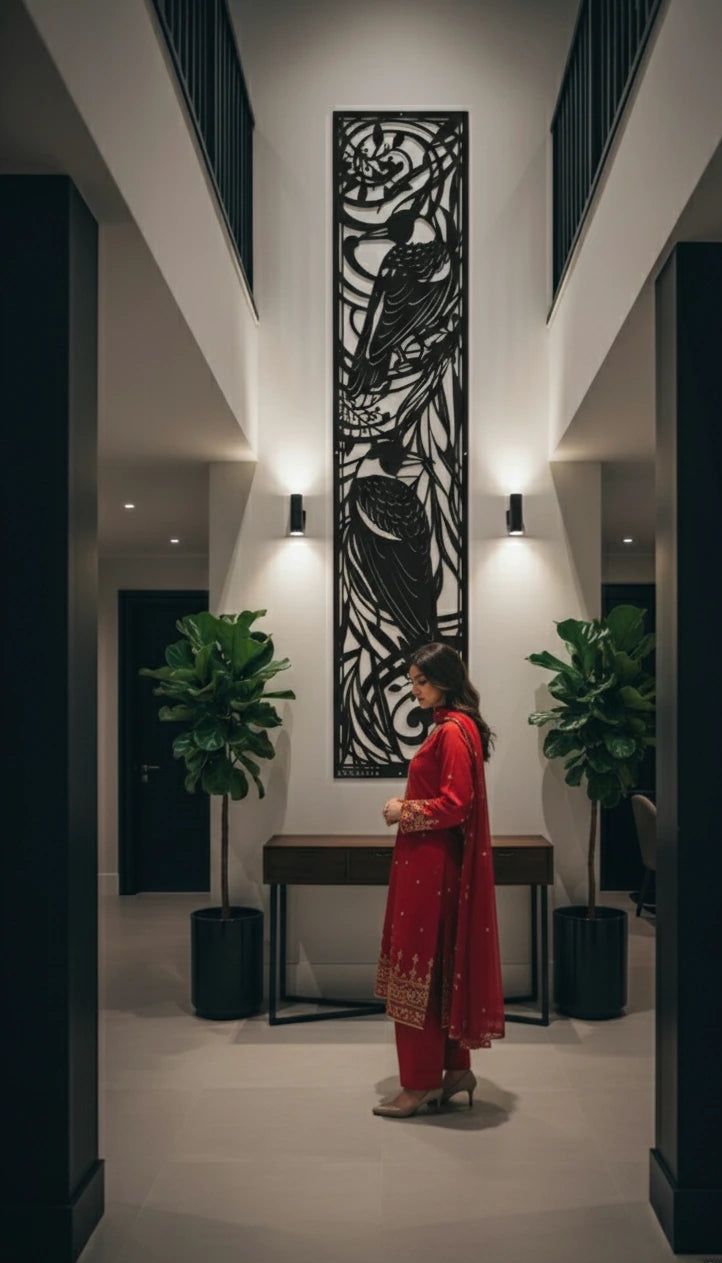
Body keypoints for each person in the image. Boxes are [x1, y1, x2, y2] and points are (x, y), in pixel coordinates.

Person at [373, 642, 505, 1118]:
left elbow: (455, 805)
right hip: (432, 866)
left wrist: (402, 810)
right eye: (412, 681)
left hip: (431, 870)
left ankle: (419, 1084)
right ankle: (455, 1072)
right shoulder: (457, 726)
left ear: (445, 680)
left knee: (419, 971)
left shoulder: (451, 732)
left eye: (422, 681)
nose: (415, 690)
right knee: (440, 967)